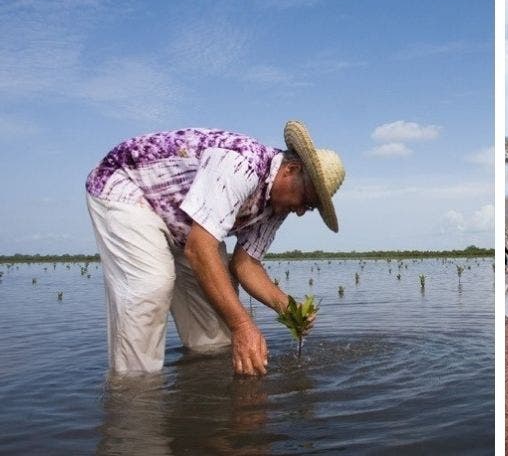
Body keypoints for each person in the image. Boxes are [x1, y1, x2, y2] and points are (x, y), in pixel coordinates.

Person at [85, 120, 345, 376]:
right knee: (152, 285)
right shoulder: (242, 164)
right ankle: (133, 395)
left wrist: (289, 309)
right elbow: (200, 249)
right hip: (127, 185)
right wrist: (243, 325)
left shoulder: (276, 207)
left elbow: (246, 265)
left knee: (215, 331)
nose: (300, 211)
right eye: (305, 200)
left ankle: (205, 392)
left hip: (186, 226)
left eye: (309, 208)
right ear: (291, 170)